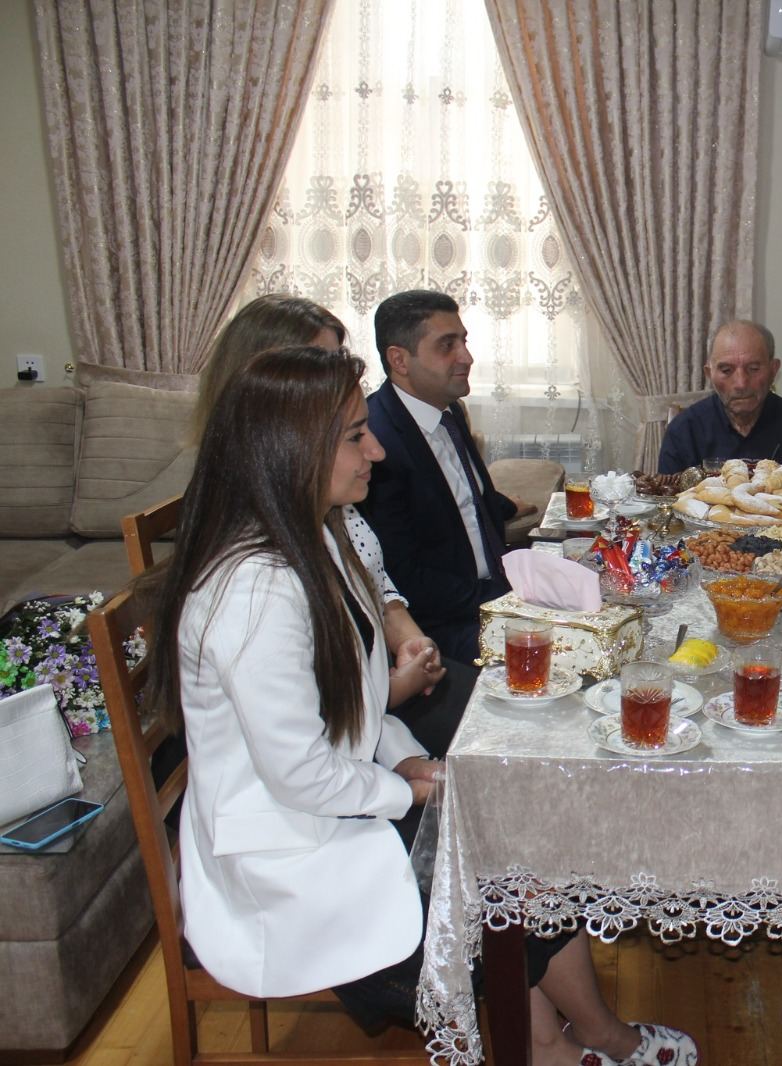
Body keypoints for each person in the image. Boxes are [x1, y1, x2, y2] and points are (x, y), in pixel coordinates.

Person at [147, 347, 696, 1064]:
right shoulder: (255, 590)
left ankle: (586, 1036)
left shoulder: (317, 535)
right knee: (502, 879)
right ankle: (554, 1049)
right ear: (290, 450)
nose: (374, 446)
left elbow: (353, 704)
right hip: (286, 855)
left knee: (519, 837)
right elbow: (297, 773)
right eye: (353, 435)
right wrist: (403, 786)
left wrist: (405, 755)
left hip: (329, 806)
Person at [194, 294, 462, 755]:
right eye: (319, 364)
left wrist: (412, 643)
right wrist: (393, 692)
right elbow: (309, 740)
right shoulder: (254, 563)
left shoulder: (323, 500)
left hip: (368, 706)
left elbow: (374, 583)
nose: (334, 379)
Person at [359, 290, 533, 664]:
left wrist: (504, 506)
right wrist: (506, 598)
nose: (466, 357)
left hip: (490, 593)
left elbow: (460, 499)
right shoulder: (377, 442)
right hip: (442, 629)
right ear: (399, 360)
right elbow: (401, 575)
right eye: (447, 345)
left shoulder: (446, 410)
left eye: (464, 341)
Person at [656, 320, 782, 477]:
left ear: (773, 370)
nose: (740, 383)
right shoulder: (684, 431)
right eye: (726, 370)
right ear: (710, 374)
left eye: (753, 369)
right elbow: (667, 505)